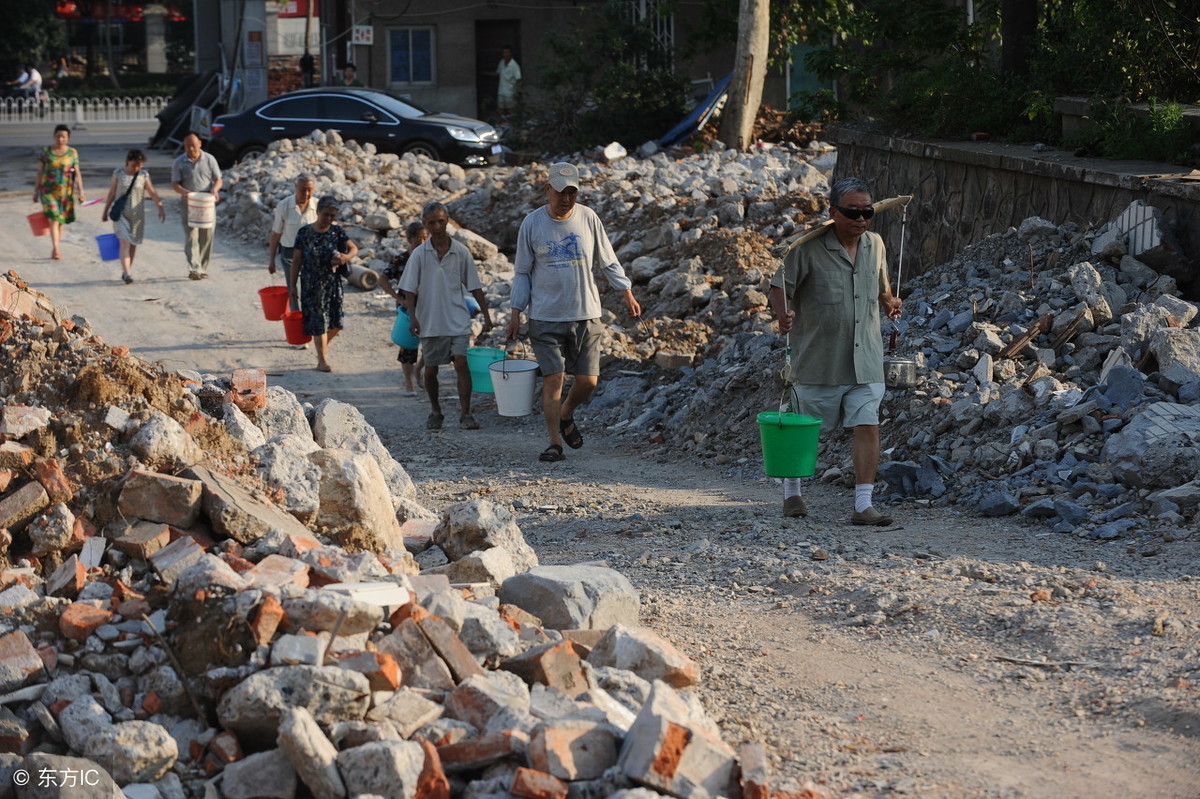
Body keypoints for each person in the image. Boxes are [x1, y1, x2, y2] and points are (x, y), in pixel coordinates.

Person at [767, 177, 903, 526]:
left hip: (866, 358)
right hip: (817, 358)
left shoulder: (875, 244)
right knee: (800, 428)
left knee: (868, 424)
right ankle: (792, 493)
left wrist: (889, 302)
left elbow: (881, 285)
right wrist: (782, 315)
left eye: (867, 212)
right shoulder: (806, 248)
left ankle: (863, 504)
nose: (861, 219)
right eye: (852, 212)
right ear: (833, 212)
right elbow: (778, 286)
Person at [507, 161, 640, 462]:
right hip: (544, 315)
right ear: (547, 190)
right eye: (559, 192)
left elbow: (608, 260)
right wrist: (516, 311)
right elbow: (522, 272)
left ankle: (566, 413)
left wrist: (627, 293)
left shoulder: (588, 218)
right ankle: (555, 442)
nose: (566, 199)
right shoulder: (532, 223)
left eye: (571, 192)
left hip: (586, 313)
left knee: (588, 381)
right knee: (554, 379)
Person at [399, 202, 493, 431]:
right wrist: (413, 318)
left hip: (457, 319)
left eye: (441, 221)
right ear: (425, 224)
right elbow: (409, 290)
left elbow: (474, 285)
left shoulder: (460, 251)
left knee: (462, 363)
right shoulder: (420, 254)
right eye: (431, 222)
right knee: (431, 368)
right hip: (430, 321)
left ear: (448, 221)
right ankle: (435, 411)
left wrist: (487, 314)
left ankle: (466, 414)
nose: (437, 226)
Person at [290, 196, 358, 372]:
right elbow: (296, 260)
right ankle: (322, 360)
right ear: (318, 211)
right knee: (319, 321)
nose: (328, 218)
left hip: (332, 283)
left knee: (337, 323)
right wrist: (291, 286)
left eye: (332, 215)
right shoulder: (304, 232)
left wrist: (346, 257)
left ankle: (321, 347)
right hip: (311, 283)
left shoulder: (337, 232)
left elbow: (353, 248)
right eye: (326, 214)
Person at [101, 149, 166, 284]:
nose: (136, 168)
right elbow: (111, 194)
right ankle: (128, 273)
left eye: (139, 165)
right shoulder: (118, 173)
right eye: (133, 165)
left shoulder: (143, 175)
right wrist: (105, 211)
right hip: (121, 214)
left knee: (133, 243)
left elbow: (152, 192)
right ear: (128, 162)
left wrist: (159, 206)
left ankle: (126, 271)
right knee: (124, 242)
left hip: (137, 216)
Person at [381, 221, 430, 396]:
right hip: (408, 310)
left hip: (428, 307)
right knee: (408, 346)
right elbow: (383, 279)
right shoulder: (401, 260)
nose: (423, 242)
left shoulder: (431, 258)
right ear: (409, 240)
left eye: (426, 238)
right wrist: (397, 298)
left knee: (430, 345)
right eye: (418, 238)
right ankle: (409, 382)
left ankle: (419, 370)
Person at [170, 133, 223, 280]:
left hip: (206, 203)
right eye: (187, 145)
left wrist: (215, 190)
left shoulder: (209, 159)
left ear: (200, 143)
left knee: (207, 236)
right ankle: (194, 269)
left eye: (193, 145)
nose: (191, 148)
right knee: (191, 236)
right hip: (189, 203)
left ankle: (202, 267)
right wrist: (184, 192)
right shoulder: (179, 162)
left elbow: (218, 179)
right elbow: (175, 184)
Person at [267, 174, 318, 316]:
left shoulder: (318, 206)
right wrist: (271, 260)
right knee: (293, 285)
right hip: (289, 253)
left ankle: (310, 315)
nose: (306, 194)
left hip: (311, 253)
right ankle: (297, 316)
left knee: (310, 286)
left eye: (310, 190)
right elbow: (276, 234)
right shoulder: (284, 205)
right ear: (296, 188)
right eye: (303, 190)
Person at [33, 124, 85, 260]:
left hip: (65, 192)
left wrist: (81, 191)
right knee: (54, 218)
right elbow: (39, 172)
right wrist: (35, 191)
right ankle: (56, 249)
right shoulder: (45, 152)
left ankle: (56, 246)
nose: (60, 139)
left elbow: (77, 173)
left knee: (60, 220)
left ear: (68, 138)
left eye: (63, 137)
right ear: (54, 137)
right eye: (58, 136)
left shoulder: (72, 153)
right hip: (48, 191)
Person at [493, 46, 521, 116]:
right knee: (500, 110)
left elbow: (519, 80)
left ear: (511, 53)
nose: (506, 54)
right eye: (504, 53)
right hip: (501, 91)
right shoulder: (501, 62)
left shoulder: (514, 65)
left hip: (510, 93)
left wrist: (517, 92)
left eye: (507, 52)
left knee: (511, 111)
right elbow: (497, 73)